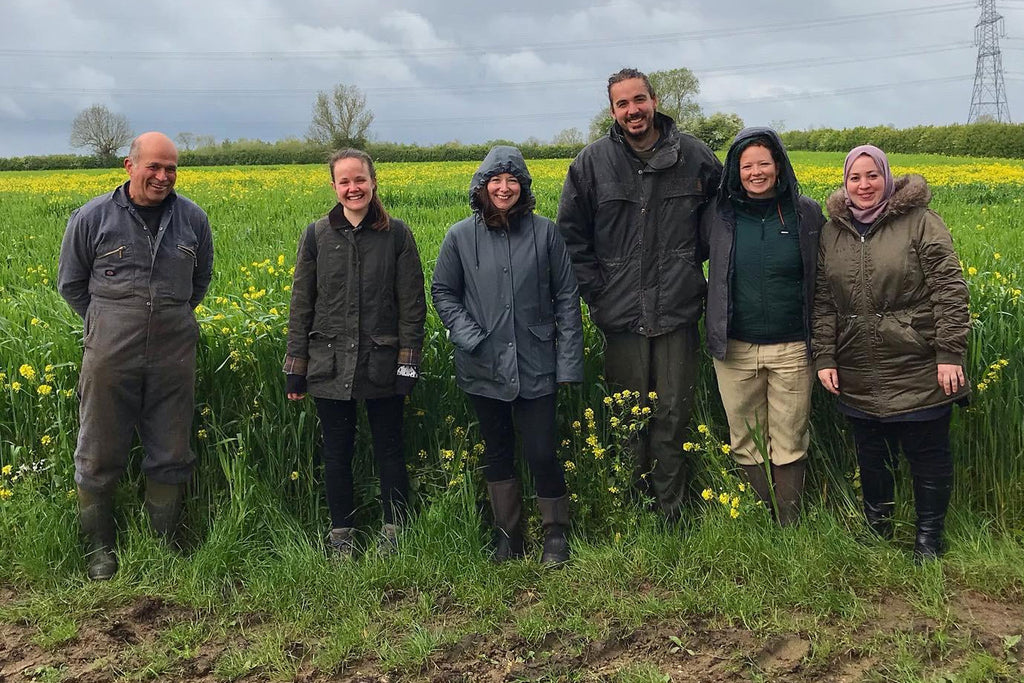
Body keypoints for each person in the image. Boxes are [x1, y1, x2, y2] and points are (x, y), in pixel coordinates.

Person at [557, 67, 722, 520]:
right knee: (627, 418)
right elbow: (571, 239)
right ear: (612, 111)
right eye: (622, 104)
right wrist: (600, 295)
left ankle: (670, 511)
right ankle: (631, 508)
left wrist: (689, 268)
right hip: (622, 314)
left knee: (672, 416)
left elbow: (723, 221)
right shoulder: (591, 164)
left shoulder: (695, 156)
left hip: (678, 310)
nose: (633, 110)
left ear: (654, 100)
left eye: (639, 100)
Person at [57, 132, 214, 580]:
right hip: (109, 354)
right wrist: (110, 323)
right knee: (99, 450)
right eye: (154, 167)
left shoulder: (193, 220)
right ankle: (99, 551)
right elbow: (71, 283)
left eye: (171, 168)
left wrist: (166, 318)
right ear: (130, 166)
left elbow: (199, 281)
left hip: (174, 353)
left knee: (171, 449)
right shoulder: (92, 217)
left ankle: (163, 545)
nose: (163, 176)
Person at [812, 145, 970, 560]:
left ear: (887, 176)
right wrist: (825, 356)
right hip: (857, 363)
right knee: (871, 455)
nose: (863, 185)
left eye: (872, 176)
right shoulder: (834, 231)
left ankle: (928, 539)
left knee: (927, 453)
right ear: (844, 184)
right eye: (854, 178)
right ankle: (877, 527)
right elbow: (825, 300)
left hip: (916, 361)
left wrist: (950, 353)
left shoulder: (920, 222)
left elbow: (950, 290)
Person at [432, 146, 584, 565]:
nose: (504, 188)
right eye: (495, 180)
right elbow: (443, 292)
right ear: (481, 186)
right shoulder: (460, 236)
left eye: (512, 180)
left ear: (524, 186)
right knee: (497, 451)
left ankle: (555, 533)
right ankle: (508, 535)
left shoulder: (546, 233)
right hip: (482, 363)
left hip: (538, 362)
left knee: (541, 449)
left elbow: (567, 298)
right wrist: (470, 337)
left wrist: (568, 363)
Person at [284, 149, 426, 557]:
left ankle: (393, 532)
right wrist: (296, 368)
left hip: (382, 364)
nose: (353, 188)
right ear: (334, 187)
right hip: (328, 365)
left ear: (373, 181)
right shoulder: (315, 236)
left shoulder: (396, 235)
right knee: (336, 452)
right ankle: (341, 535)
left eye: (359, 179)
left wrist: (408, 366)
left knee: (389, 447)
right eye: (344, 182)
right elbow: (301, 305)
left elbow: (412, 305)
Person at [703, 127, 824, 525]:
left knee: (789, 439)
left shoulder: (806, 212)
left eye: (763, 163)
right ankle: (759, 518)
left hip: (792, 348)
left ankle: (787, 522)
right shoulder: (719, 215)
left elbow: (826, 275)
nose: (756, 172)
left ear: (779, 165)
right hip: (734, 347)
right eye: (746, 165)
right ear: (735, 171)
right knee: (745, 440)